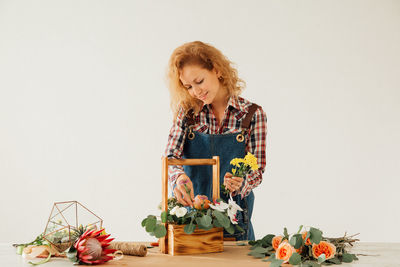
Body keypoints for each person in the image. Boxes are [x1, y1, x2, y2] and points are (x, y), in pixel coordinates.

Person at [164, 41, 267, 241]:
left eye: (199, 81)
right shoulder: (187, 113)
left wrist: (241, 183)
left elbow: (257, 168)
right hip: (193, 218)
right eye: (188, 86)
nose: (195, 91)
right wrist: (179, 178)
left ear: (217, 70)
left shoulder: (252, 114)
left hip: (235, 220)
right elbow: (171, 156)